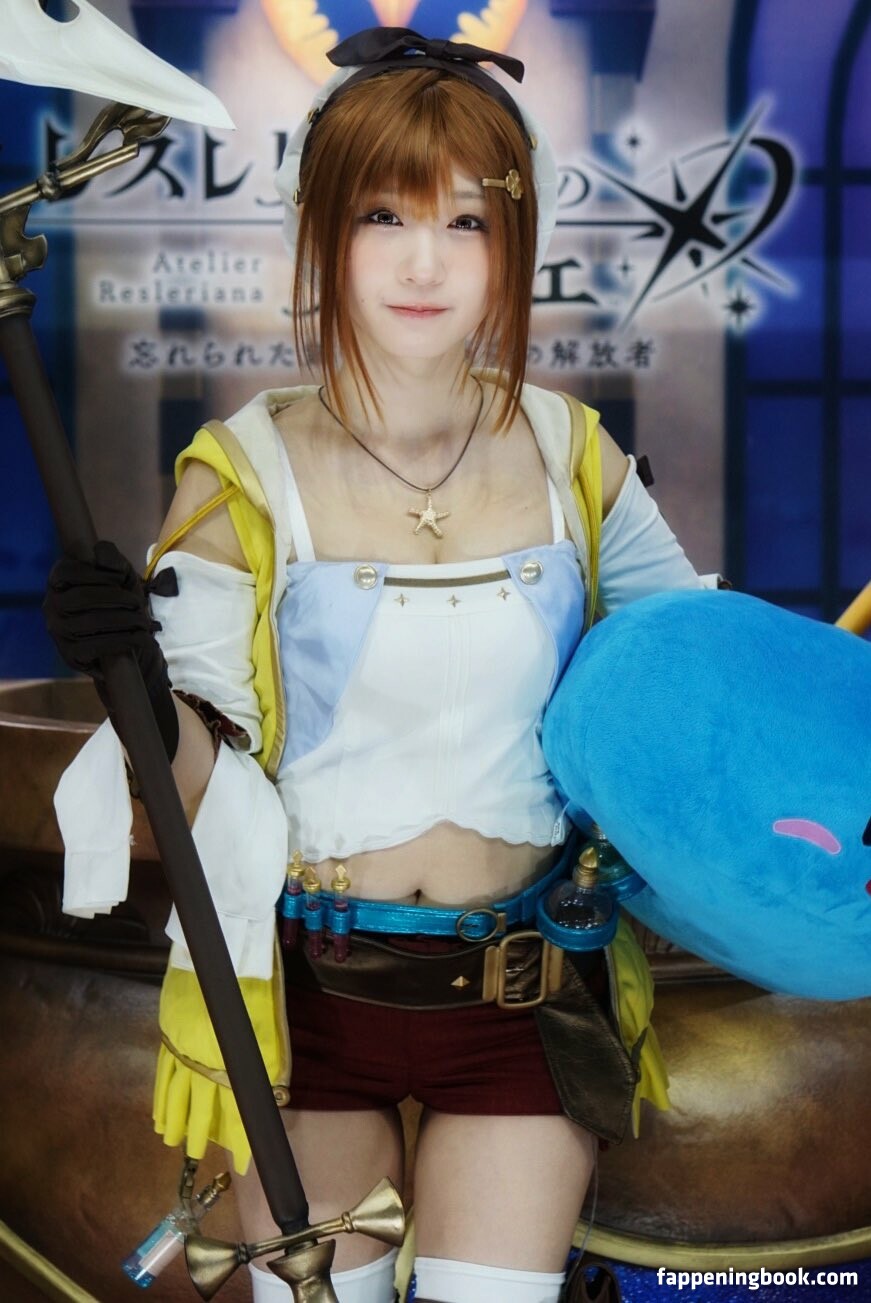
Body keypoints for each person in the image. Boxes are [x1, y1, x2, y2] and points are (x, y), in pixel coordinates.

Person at [46, 28, 717, 1303]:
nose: (424, 262)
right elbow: (193, 796)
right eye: (382, 216)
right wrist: (131, 681)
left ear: (513, 244)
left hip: (523, 996)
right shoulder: (239, 477)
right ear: (321, 231)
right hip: (309, 1004)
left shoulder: (575, 459)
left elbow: (689, 687)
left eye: (466, 221)